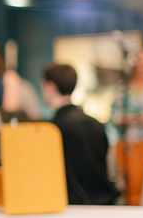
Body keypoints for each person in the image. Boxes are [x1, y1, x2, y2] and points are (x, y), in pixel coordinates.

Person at [42, 63, 120, 205]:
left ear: (50, 87)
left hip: (71, 205)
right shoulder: (96, 124)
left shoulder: (51, 130)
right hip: (105, 202)